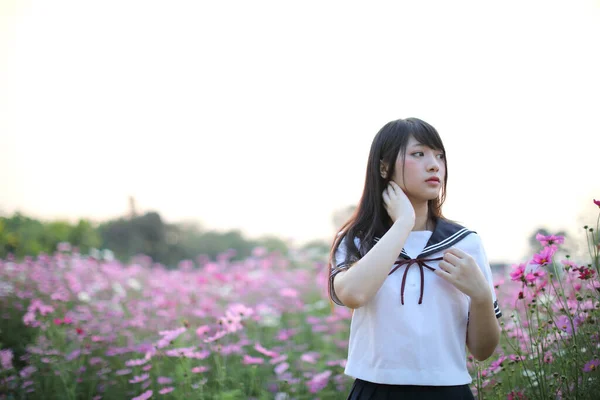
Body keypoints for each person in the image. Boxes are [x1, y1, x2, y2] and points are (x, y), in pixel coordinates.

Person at [328, 118, 502, 400]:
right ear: (384, 167)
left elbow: (483, 351)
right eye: (418, 154)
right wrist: (403, 224)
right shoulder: (356, 238)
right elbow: (354, 294)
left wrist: (481, 295)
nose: (434, 165)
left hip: (449, 391)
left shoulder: (465, 243)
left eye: (440, 156)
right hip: (375, 390)